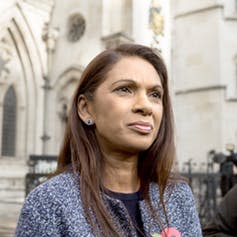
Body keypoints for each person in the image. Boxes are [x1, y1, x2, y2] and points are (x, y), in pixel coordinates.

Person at [14, 44, 202, 237]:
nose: (146, 106)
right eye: (125, 89)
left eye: (155, 95)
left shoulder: (178, 196)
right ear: (86, 108)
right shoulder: (49, 203)